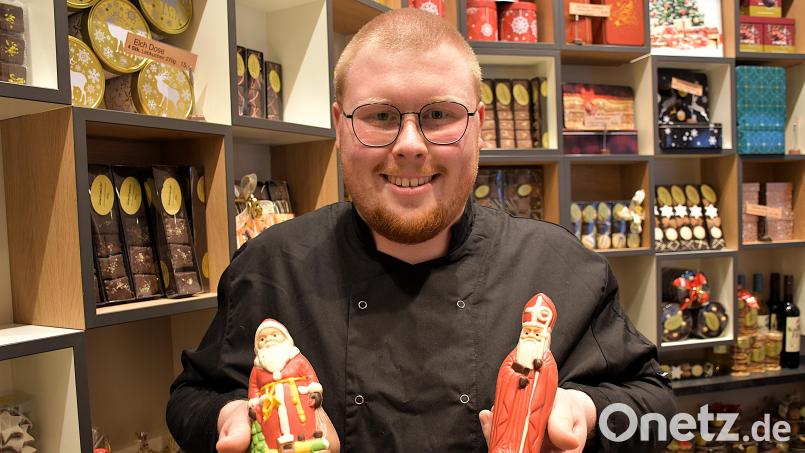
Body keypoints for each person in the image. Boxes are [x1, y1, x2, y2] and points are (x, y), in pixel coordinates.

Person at [167, 8, 676, 453]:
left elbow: (655, 407)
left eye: (438, 115)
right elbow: (192, 397)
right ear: (340, 128)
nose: (410, 145)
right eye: (380, 116)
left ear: (479, 128)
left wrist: (583, 411)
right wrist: (229, 417)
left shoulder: (562, 266)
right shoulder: (270, 267)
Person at [489, 294, 558, 453]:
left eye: (536, 333)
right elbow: (506, 372)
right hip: (511, 409)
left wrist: (536, 376)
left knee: (526, 440)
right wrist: (521, 375)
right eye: (527, 332)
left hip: (530, 411)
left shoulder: (547, 362)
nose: (530, 337)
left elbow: (548, 384)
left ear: (545, 336)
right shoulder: (514, 356)